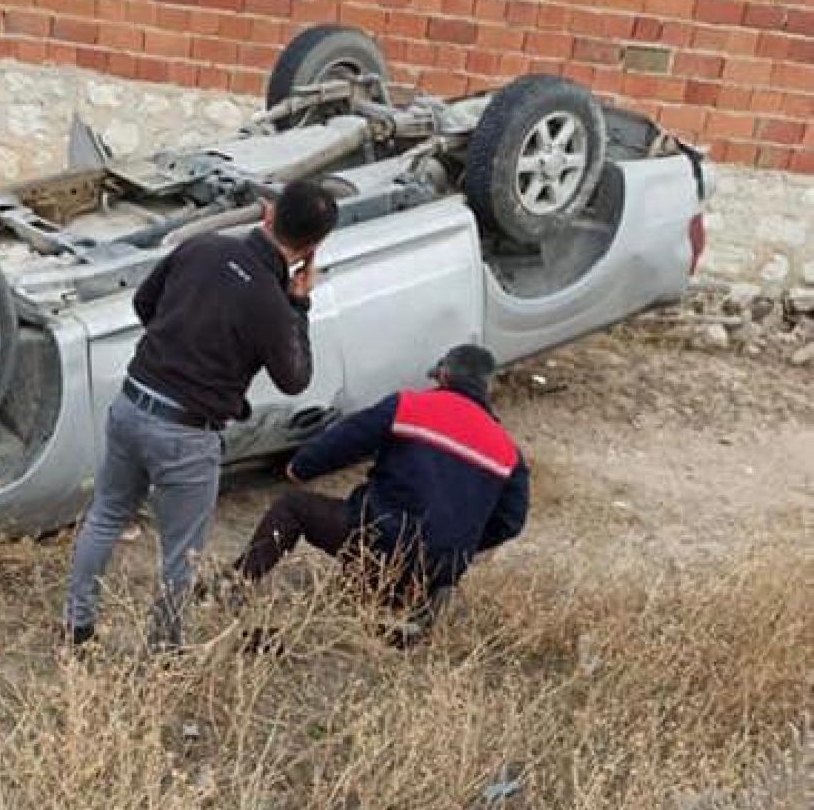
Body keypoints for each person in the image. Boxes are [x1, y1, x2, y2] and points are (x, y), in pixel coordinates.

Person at [63, 178, 340, 650]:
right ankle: (165, 649)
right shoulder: (273, 305)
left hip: (133, 403)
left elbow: (142, 303)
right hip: (187, 435)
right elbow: (295, 378)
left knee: (106, 515)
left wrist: (177, 346)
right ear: (311, 248)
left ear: (268, 214)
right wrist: (300, 303)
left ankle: (77, 627)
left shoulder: (200, 247)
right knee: (181, 551)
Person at [230, 344, 529, 635]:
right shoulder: (508, 453)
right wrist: (460, 543)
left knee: (292, 507)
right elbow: (511, 523)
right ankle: (414, 600)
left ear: (444, 376)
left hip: (379, 541)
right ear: (486, 388)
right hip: (437, 569)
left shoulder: (408, 406)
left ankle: (234, 586)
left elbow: (346, 439)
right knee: (419, 557)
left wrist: (300, 467)